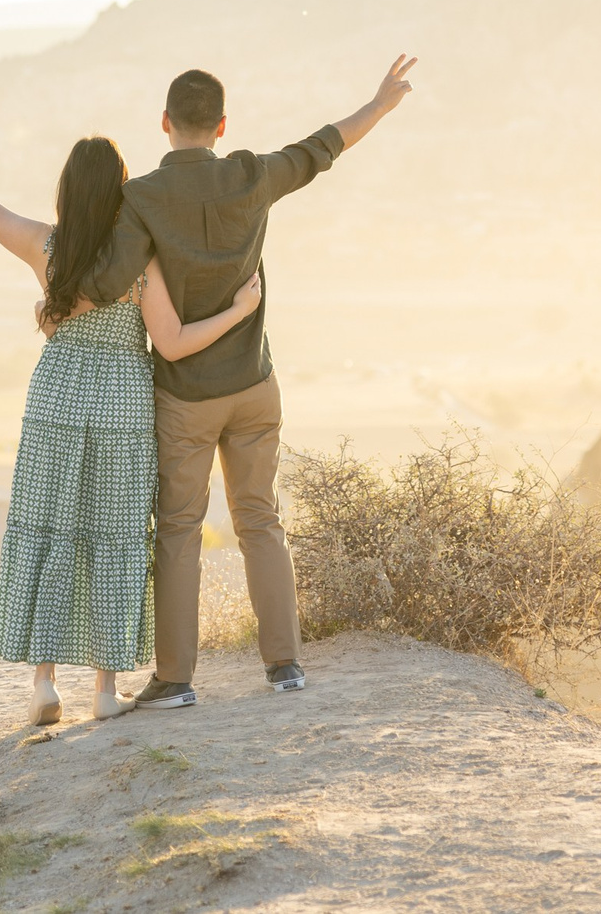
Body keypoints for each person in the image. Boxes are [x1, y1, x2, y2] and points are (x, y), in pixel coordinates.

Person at [0, 124, 263, 724]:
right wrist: (239, 311)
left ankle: (44, 684)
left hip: (57, 400)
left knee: (50, 527)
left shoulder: (44, 246)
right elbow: (173, 343)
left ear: (66, 190)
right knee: (116, 536)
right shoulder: (140, 261)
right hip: (122, 404)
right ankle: (104, 689)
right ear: (121, 191)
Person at [82, 55, 417, 709]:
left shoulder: (142, 197)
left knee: (179, 529)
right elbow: (323, 146)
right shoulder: (251, 174)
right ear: (222, 124)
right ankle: (285, 665)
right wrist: (380, 103)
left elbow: (106, 282)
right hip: (255, 385)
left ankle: (176, 679)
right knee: (260, 519)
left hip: (185, 395)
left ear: (165, 122)